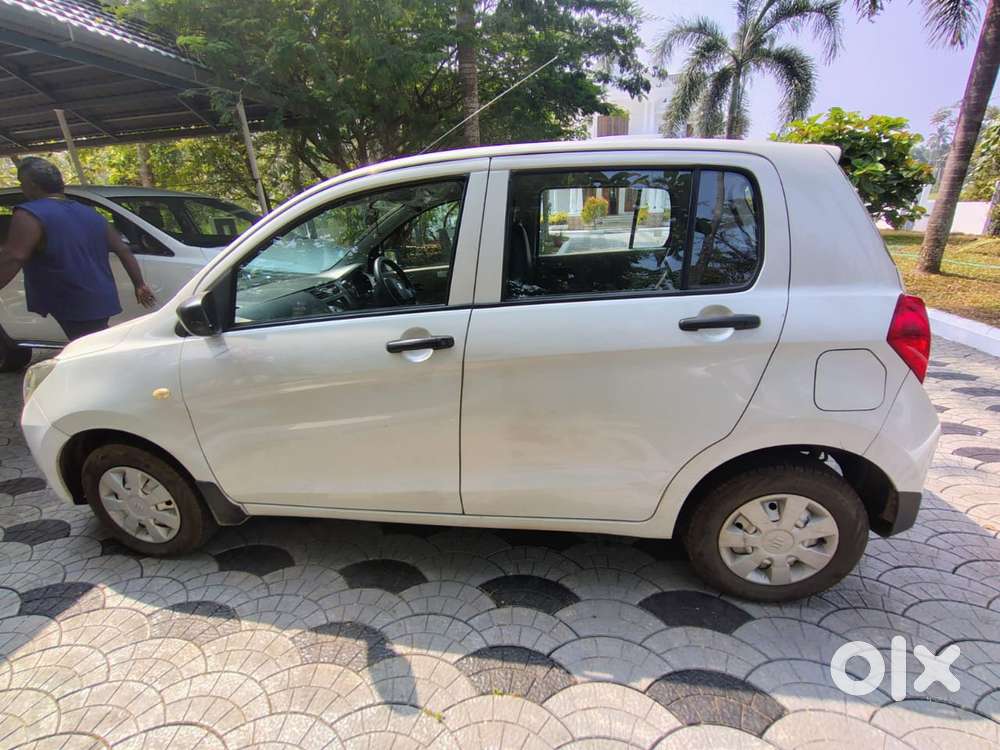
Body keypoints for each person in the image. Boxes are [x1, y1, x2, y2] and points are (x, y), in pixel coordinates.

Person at [0, 157, 155, 341]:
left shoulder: (30, 213)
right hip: (100, 296)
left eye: (21, 183)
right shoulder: (91, 213)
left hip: (70, 297)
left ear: (32, 185)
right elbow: (122, 249)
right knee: (92, 343)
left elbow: (14, 256)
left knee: (89, 349)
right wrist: (139, 284)